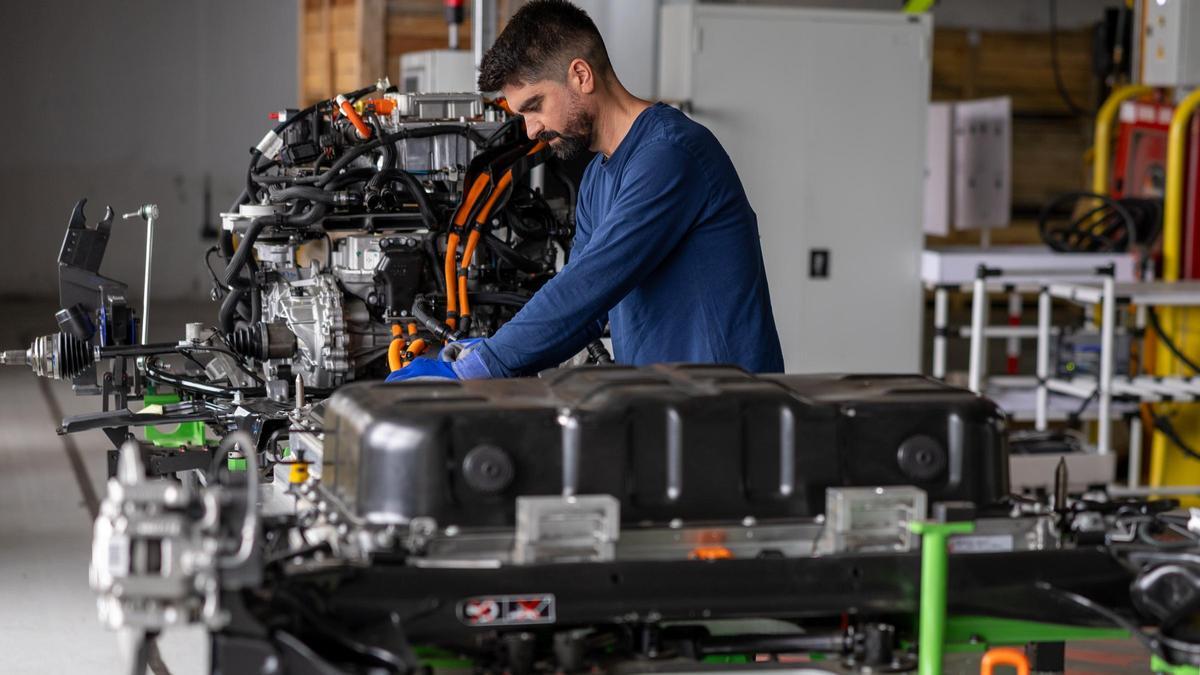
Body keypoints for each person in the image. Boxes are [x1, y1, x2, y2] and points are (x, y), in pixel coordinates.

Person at [387, 0, 782, 382]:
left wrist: (480, 366)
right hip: (664, 413)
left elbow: (590, 286)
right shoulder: (597, 177)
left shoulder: (670, 155)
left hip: (727, 417)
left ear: (581, 75)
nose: (531, 130)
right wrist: (485, 353)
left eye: (535, 105)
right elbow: (587, 311)